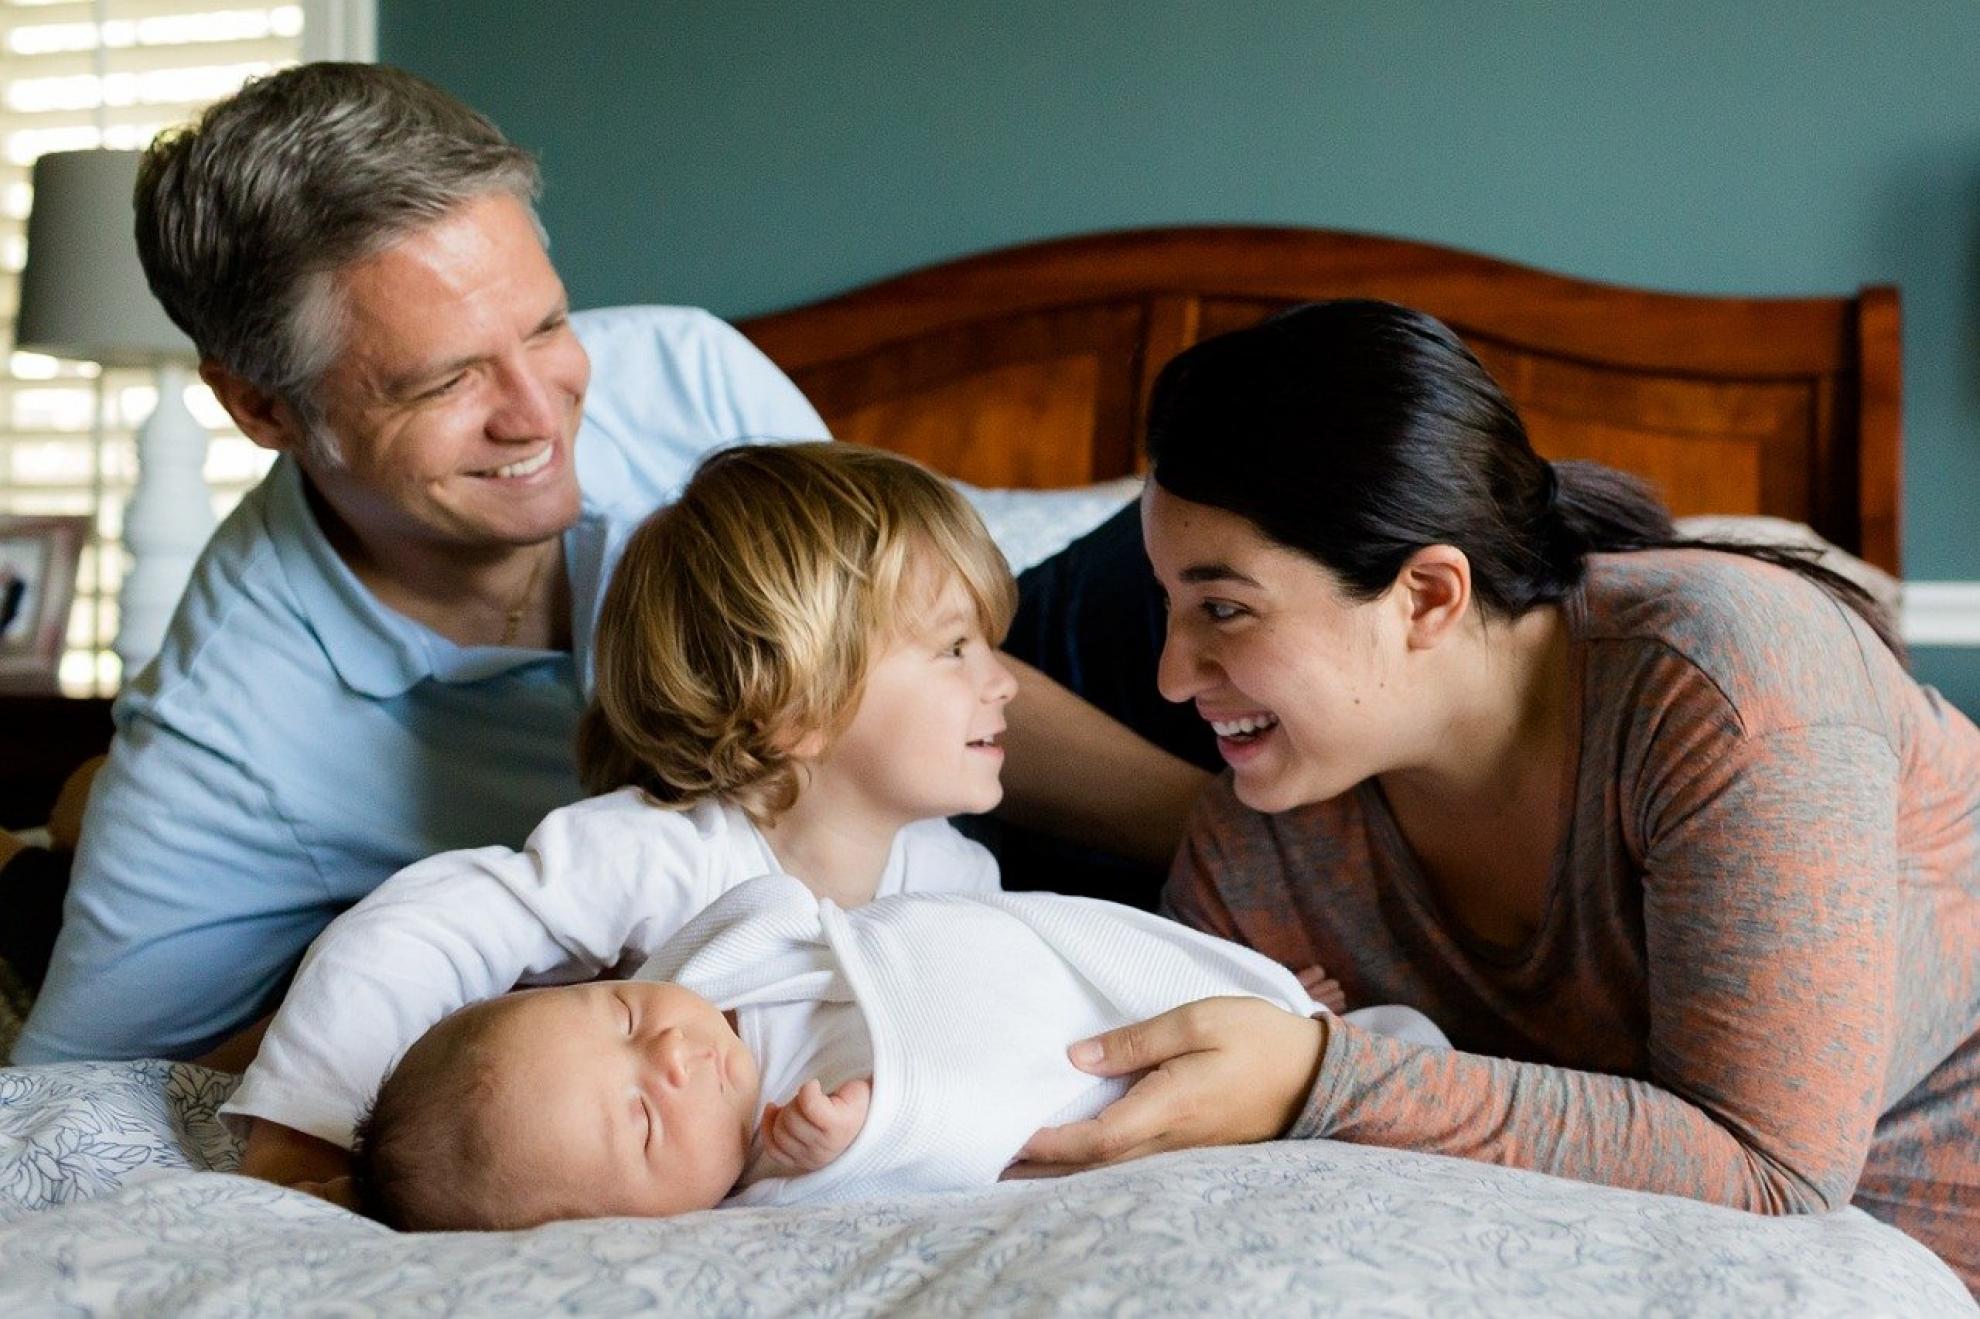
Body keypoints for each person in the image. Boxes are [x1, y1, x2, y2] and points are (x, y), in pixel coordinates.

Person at [12, 63, 1206, 1074]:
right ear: (264, 406)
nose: (541, 415)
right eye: (445, 381)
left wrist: (1219, 832)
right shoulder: (230, 730)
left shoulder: (682, 372)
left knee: (1219, 535)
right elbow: (82, 1091)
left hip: (952, 749)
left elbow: (925, 658)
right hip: (805, 895)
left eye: (544, 327)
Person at [1007, 299, 1980, 1293]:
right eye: (1167, 606)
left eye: (1225, 608)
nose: (1171, 675)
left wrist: (1316, 1074)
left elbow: (1774, 1168)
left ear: (1428, 595)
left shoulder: (1726, 681)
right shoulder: (1257, 844)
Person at [347, 874, 1441, 1231]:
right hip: (1091, 1074)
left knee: (1360, 1046)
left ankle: (1315, 1034)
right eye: (640, 1121)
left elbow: (853, 924)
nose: (674, 1057)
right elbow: (948, 1153)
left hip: (1070, 974)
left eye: (628, 1017)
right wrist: (854, 1135)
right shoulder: (777, 1171)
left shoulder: (736, 963)